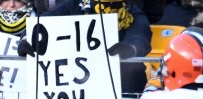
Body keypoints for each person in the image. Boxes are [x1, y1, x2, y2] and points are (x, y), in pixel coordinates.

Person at [19, 0, 152, 94]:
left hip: (123, 90)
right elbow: (43, 22)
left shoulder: (134, 15)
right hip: (78, 91)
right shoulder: (74, 5)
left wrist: (130, 48)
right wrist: (27, 39)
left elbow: (140, 36)